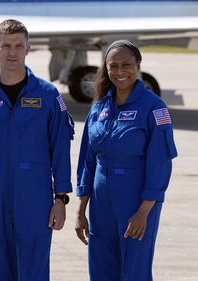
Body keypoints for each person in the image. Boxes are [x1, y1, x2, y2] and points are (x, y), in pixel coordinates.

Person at [0, 19, 74, 281]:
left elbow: (60, 150)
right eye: (6, 46)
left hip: (35, 199)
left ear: (28, 49)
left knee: (34, 267)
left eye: (18, 46)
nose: (12, 52)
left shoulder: (47, 95)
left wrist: (61, 199)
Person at [75, 40, 178, 281]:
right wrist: (81, 209)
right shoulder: (99, 107)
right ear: (106, 69)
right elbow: (87, 160)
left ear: (138, 65)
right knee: (101, 269)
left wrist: (144, 211)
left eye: (126, 65)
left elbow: (160, 163)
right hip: (101, 203)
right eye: (114, 66)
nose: (120, 71)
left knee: (134, 271)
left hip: (136, 201)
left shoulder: (154, 108)